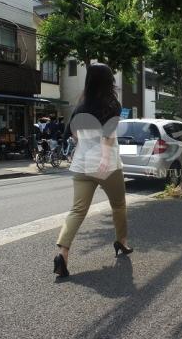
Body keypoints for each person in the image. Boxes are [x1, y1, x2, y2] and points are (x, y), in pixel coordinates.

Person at [53, 63, 132, 278]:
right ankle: (122, 242)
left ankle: (63, 254)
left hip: (82, 165)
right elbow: (109, 136)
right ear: (108, 81)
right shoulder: (112, 104)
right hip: (107, 166)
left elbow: (74, 135)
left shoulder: (80, 105)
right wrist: (105, 159)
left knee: (77, 210)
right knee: (118, 205)